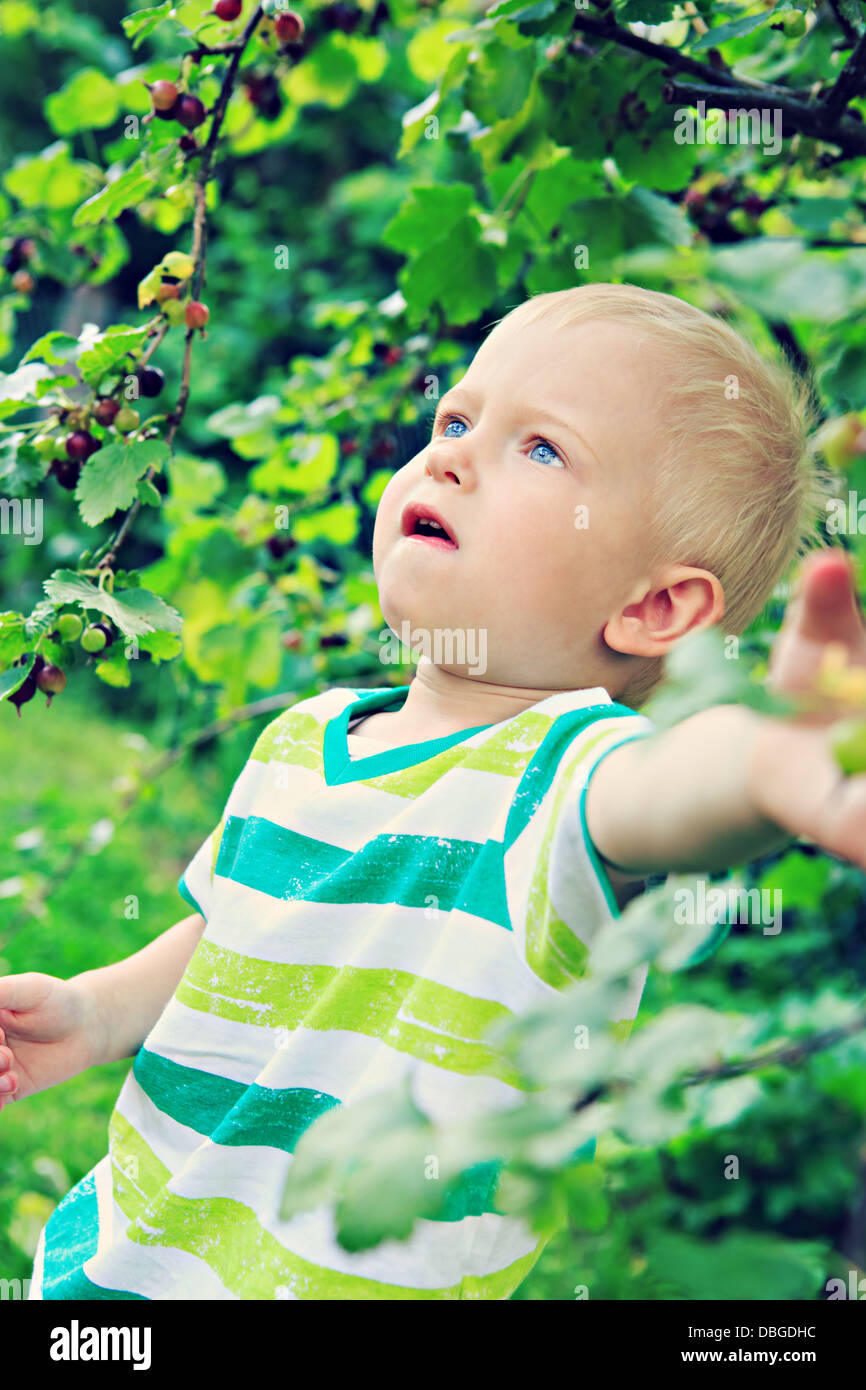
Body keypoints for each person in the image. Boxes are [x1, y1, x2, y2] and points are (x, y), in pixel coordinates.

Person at [4, 282, 865, 1300]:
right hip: (122, 1260)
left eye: (540, 449)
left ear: (653, 605)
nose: (448, 454)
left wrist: (763, 764)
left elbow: (672, 794)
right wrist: (96, 1014)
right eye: (455, 417)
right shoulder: (305, 736)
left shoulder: (568, 778)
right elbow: (243, 931)